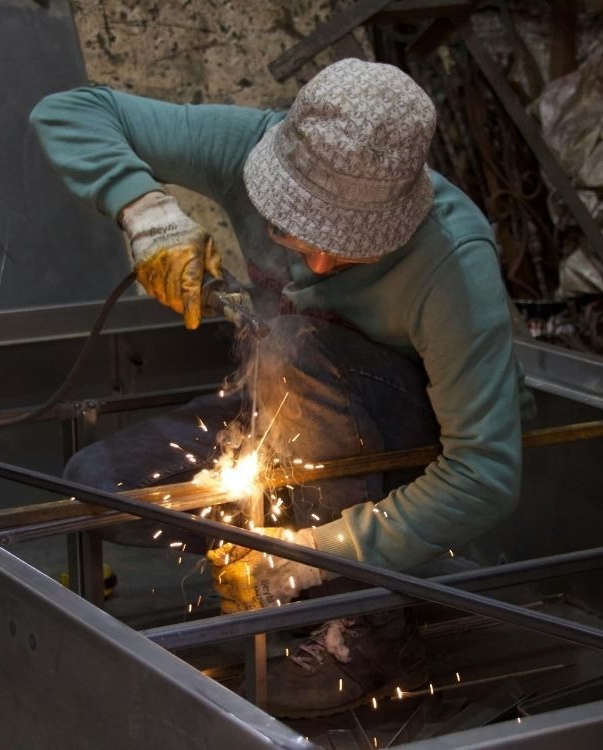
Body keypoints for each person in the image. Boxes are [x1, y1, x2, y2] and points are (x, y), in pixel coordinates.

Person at [30, 58, 523, 718]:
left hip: (407, 445)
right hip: (291, 410)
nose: (317, 265)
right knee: (99, 482)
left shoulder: (455, 263)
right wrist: (143, 209)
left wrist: (313, 556)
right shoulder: (243, 144)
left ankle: (368, 632)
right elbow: (68, 110)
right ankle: (278, 558)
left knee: (305, 344)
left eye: (350, 249)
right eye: (298, 232)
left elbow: (485, 472)